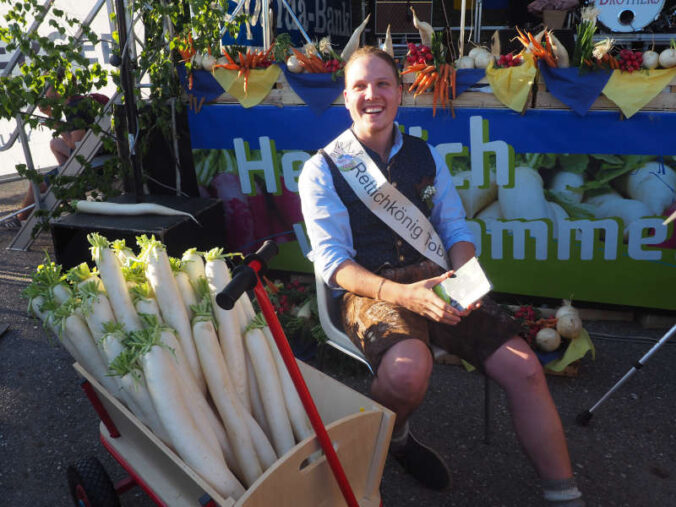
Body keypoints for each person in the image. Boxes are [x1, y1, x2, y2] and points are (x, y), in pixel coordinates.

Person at [298, 46, 584, 506]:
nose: (372, 94)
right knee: (409, 374)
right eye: (360, 86)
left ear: (401, 92)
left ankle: (564, 493)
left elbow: (454, 228)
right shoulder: (321, 169)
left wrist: (465, 277)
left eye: (383, 84)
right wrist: (403, 295)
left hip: (439, 278)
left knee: (526, 367)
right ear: (345, 98)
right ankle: (397, 437)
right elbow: (333, 263)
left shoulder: (424, 154)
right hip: (374, 288)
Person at [14, 82, 109, 223]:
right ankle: (70, 187)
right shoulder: (83, 100)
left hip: (91, 160)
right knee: (55, 143)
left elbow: (76, 144)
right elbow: (77, 135)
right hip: (100, 152)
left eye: (47, 88)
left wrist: (54, 121)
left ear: (59, 89)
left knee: (37, 182)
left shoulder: (74, 108)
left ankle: (19, 219)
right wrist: (52, 116)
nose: (44, 94)